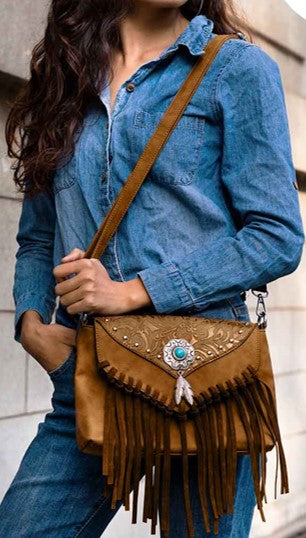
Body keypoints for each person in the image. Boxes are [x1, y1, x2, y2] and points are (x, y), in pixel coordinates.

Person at [0, 1, 304, 536]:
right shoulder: (66, 74)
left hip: (207, 378)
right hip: (91, 376)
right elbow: (38, 233)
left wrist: (136, 290)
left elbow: (276, 235)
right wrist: (31, 323)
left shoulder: (236, 69)